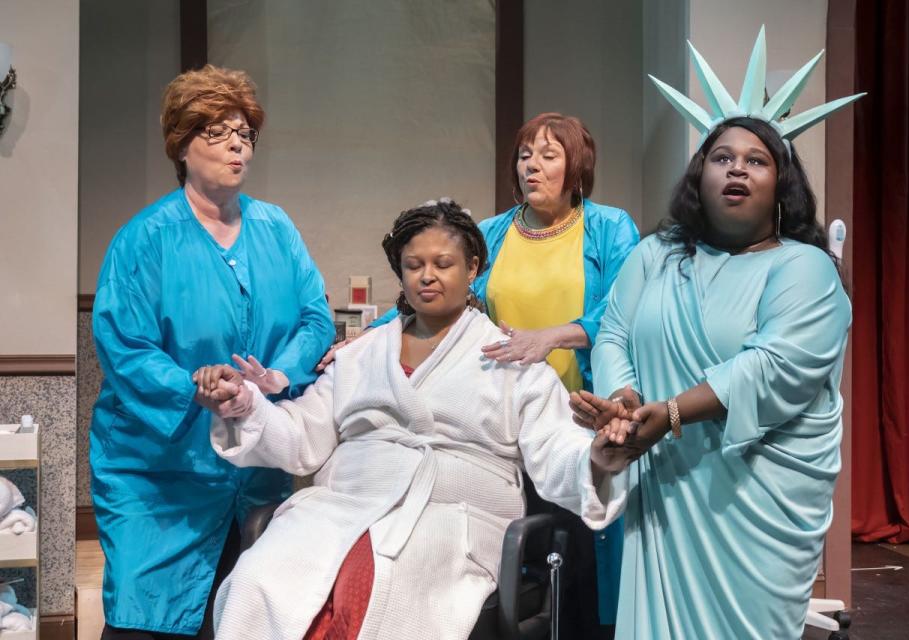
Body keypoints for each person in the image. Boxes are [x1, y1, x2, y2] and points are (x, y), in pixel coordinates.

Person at [194, 199, 632, 640]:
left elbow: (556, 445)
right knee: (257, 580)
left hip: (450, 520)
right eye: (413, 264)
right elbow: (300, 434)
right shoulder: (361, 354)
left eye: (443, 263)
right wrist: (244, 405)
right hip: (341, 509)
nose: (427, 276)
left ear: (473, 266)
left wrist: (594, 457)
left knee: (373, 590)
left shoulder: (511, 363)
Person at [571, 29, 863, 638]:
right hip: (666, 490)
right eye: (721, 158)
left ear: (781, 187)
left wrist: (671, 414)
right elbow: (614, 332)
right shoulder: (655, 255)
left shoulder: (804, 268)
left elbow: (776, 367)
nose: (737, 169)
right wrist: (625, 401)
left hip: (752, 505)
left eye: (756, 161)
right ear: (699, 177)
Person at [334, 113, 639, 634]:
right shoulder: (495, 233)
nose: (532, 168)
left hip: (581, 417)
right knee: (518, 564)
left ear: (577, 167)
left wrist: (552, 336)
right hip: (507, 419)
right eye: (524, 156)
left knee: (583, 565)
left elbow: (623, 312)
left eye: (548, 156)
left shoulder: (609, 228)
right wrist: (372, 333)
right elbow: (435, 294)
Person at [90, 64, 335, 639]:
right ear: (182, 143)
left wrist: (278, 374)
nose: (237, 145)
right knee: (146, 615)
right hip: (160, 473)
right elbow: (126, 347)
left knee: (242, 612)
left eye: (245, 134)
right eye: (218, 132)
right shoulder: (145, 239)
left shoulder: (277, 228)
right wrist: (193, 390)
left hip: (253, 466)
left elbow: (314, 315)